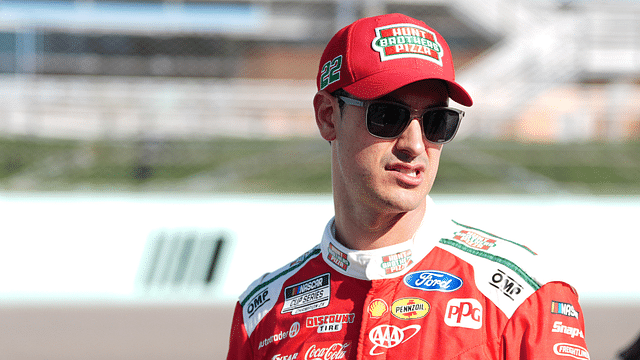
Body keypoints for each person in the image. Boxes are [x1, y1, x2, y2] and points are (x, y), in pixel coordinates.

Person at [226, 13, 589, 360]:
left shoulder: (528, 298)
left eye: (437, 122)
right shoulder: (260, 314)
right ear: (327, 117)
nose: (415, 145)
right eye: (387, 116)